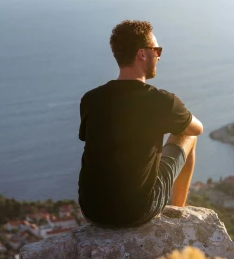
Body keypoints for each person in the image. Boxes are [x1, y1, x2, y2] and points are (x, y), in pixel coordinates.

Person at [78, 19, 203, 227]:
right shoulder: (163, 101)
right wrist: (172, 116)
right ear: (142, 54)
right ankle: (179, 209)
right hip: (136, 212)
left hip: (92, 211)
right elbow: (197, 129)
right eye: (157, 50)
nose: (159, 56)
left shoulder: (90, 99)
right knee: (186, 133)